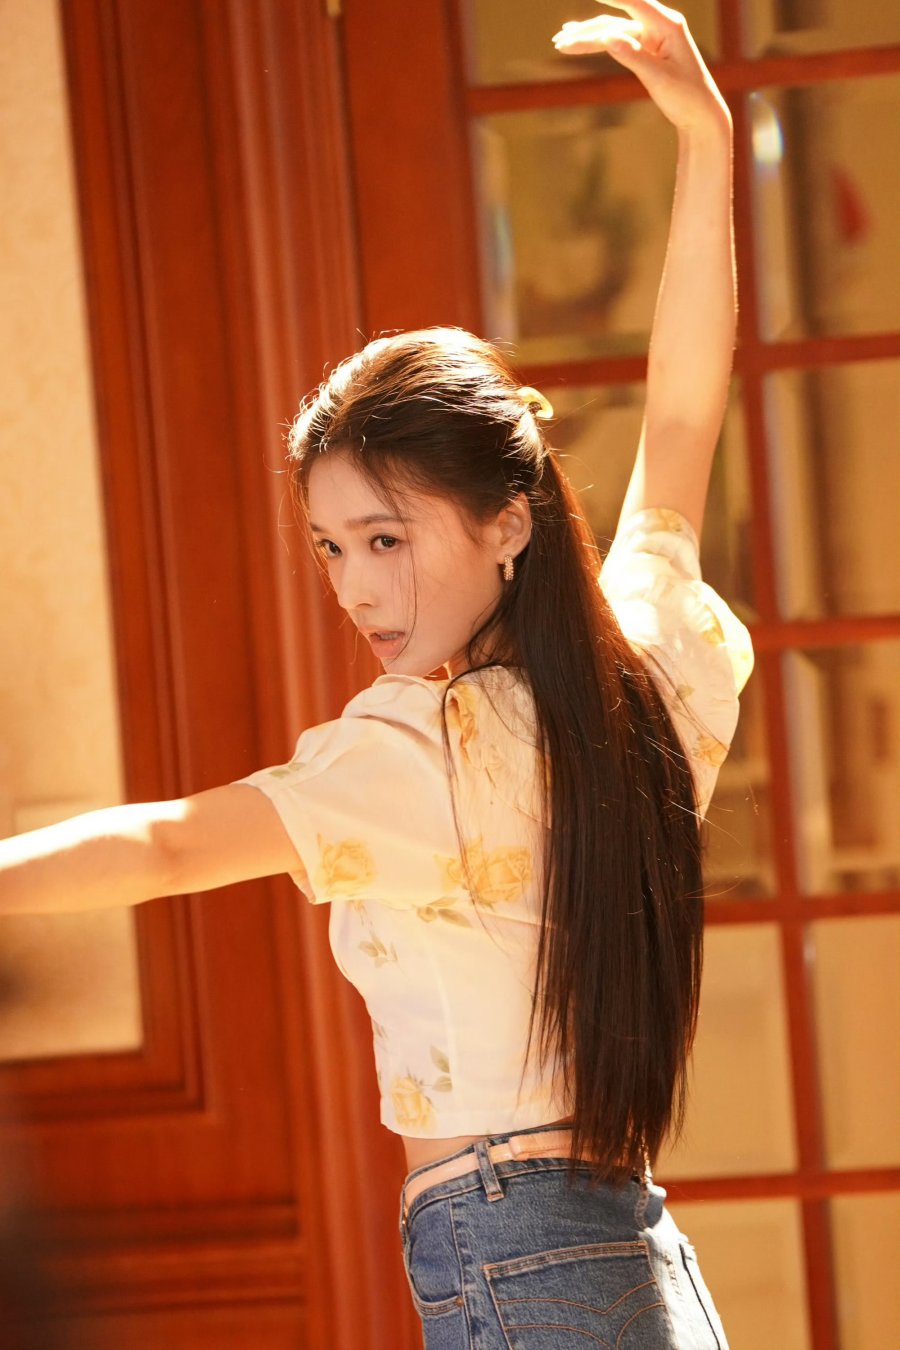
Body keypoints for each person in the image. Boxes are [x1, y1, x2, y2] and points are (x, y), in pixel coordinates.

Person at [0, 2, 753, 1344]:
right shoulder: (650, 668)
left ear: (509, 522)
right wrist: (706, 140)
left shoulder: (426, 752)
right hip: (631, 1250)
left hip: (527, 1256)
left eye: (389, 539)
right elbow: (686, 413)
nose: (355, 588)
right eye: (333, 546)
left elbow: (170, 845)